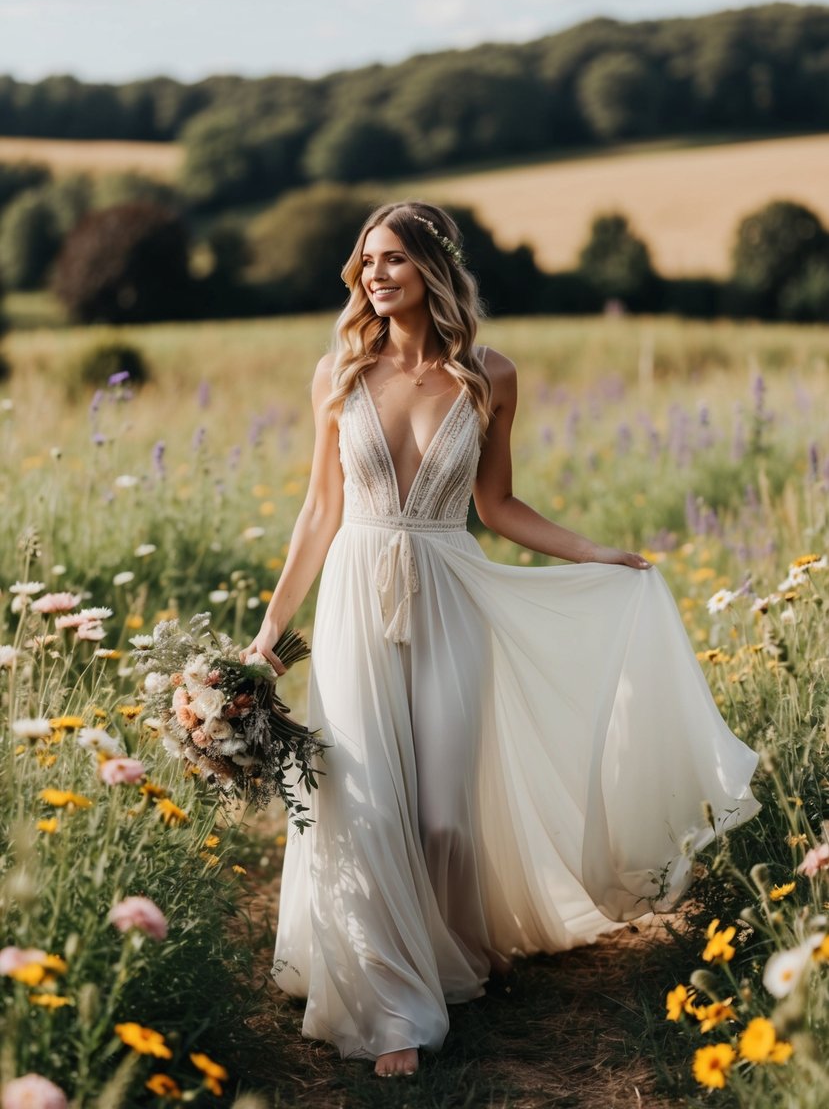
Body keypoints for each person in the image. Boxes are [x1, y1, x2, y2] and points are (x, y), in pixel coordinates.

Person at [239, 200, 760, 1079]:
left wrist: (594, 552)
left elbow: (496, 506)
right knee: (364, 807)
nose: (375, 275)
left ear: (433, 270)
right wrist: (268, 632)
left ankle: (452, 945)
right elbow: (320, 511)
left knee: (443, 816)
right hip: (355, 606)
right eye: (366, 261)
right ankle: (393, 1006)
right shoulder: (337, 375)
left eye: (394, 259)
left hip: (450, 597)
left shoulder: (490, 375)